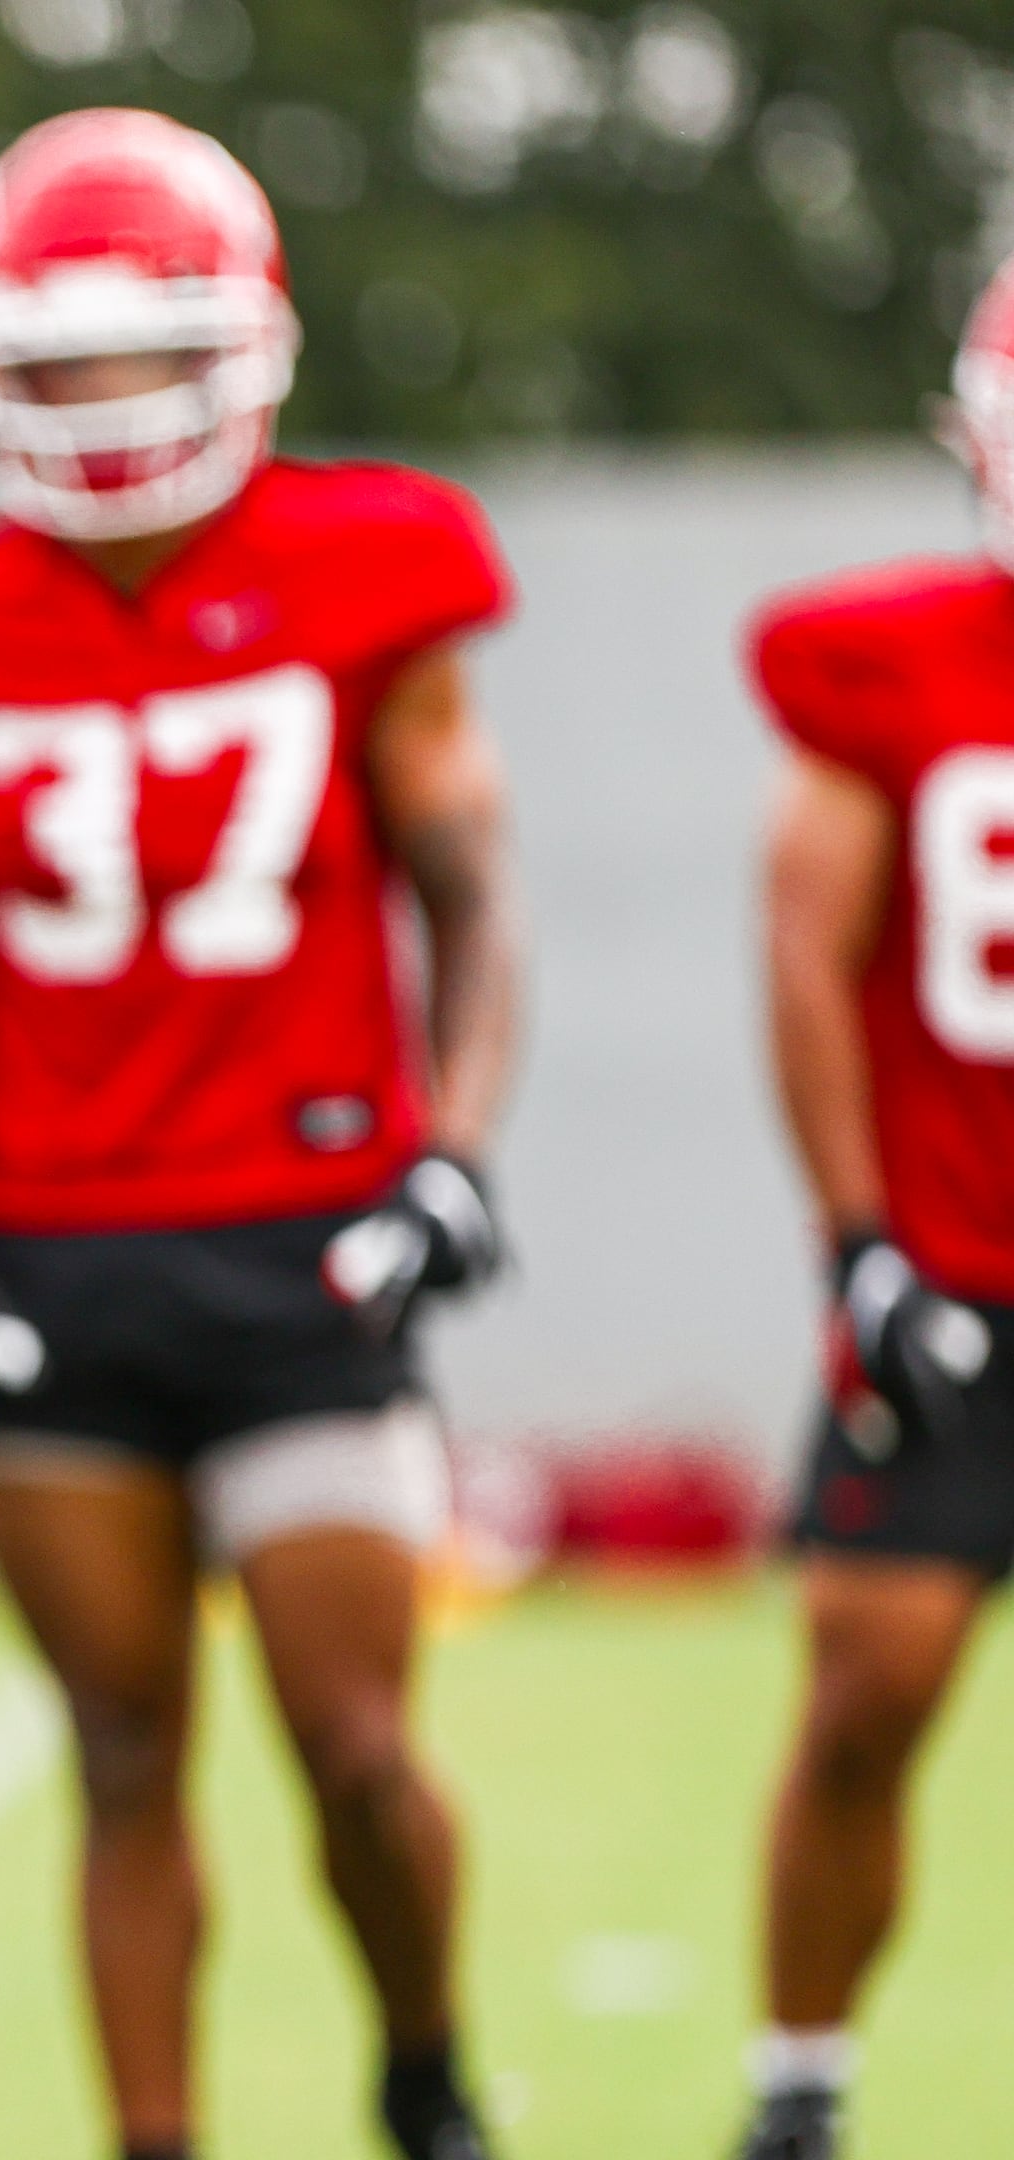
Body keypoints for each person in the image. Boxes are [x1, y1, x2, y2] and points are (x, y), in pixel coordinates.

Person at [0, 110, 525, 2160]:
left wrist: (457, 1151)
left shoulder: (375, 563)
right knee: (126, 1749)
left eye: (142, 353)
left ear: (240, 347)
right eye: (59, 363)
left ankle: (423, 2073)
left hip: (308, 1233)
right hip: (48, 1250)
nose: (104, 404)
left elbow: (472, 890)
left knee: (352, 1744)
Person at [723, 259, 1014, 2160]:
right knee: (866, 1698)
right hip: (958, 1270)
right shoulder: (885, 659)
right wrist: (858, 1240)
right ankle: (799, 2093)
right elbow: (805, 952)